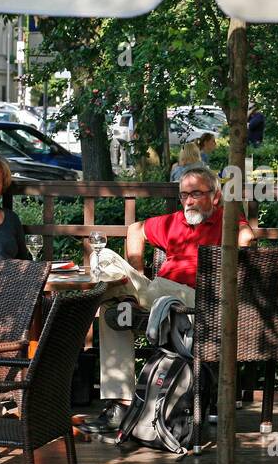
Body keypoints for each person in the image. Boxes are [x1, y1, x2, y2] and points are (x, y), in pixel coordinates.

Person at [82, 166, 257, 433]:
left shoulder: (226, 219)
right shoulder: (174, 222)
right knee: (103, 270)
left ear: (216, 196)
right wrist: (137, 270)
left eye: (196, 193)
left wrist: (237, 241)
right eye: (184, 195)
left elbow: (247, 240)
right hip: (158, 295)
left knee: (132, 296)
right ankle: (121, 402)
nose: (188, 201)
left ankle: (119, 298)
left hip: (195, 303)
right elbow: (136, 229)